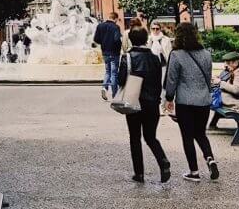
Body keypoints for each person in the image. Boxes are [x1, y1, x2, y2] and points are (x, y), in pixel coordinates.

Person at [165, 23, 219, 182]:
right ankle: (210, 158)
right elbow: (208, 77)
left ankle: (194, 172)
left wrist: (169, 98)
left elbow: (172, 79)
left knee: (187, 136)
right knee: (201, 133)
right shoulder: (206, 54)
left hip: (185, 101)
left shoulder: (176, 55)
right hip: (203, 100)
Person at [117, 26, 170, 183]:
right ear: (146, 39)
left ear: (131, 40)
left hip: (134, 102)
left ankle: (139, 173)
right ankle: (162, 160)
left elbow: (120, 80)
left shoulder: (127, 57)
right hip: (152, 103)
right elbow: (158, 80)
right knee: (150, 136)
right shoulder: (155, 58)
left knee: (135, 137)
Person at [209, 52, 239, 128]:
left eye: (228, 63)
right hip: (230, 98)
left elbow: (237, 90)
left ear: (236, 62)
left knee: (204, 99)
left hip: (237, 102)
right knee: (205, 97)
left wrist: (220, 82)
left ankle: (197, 128)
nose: (225, 65)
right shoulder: (235, 70)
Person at [94, 11, 122, 99]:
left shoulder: (100, 26)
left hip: (105, 52)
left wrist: (103, 43)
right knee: (114, 73)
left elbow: (96, 39)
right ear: (115, 18)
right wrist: (119, 48)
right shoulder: (116, 27)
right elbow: (117, 40)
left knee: (107, 71)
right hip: (114, 52)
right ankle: (115, 94)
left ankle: (104, 88)